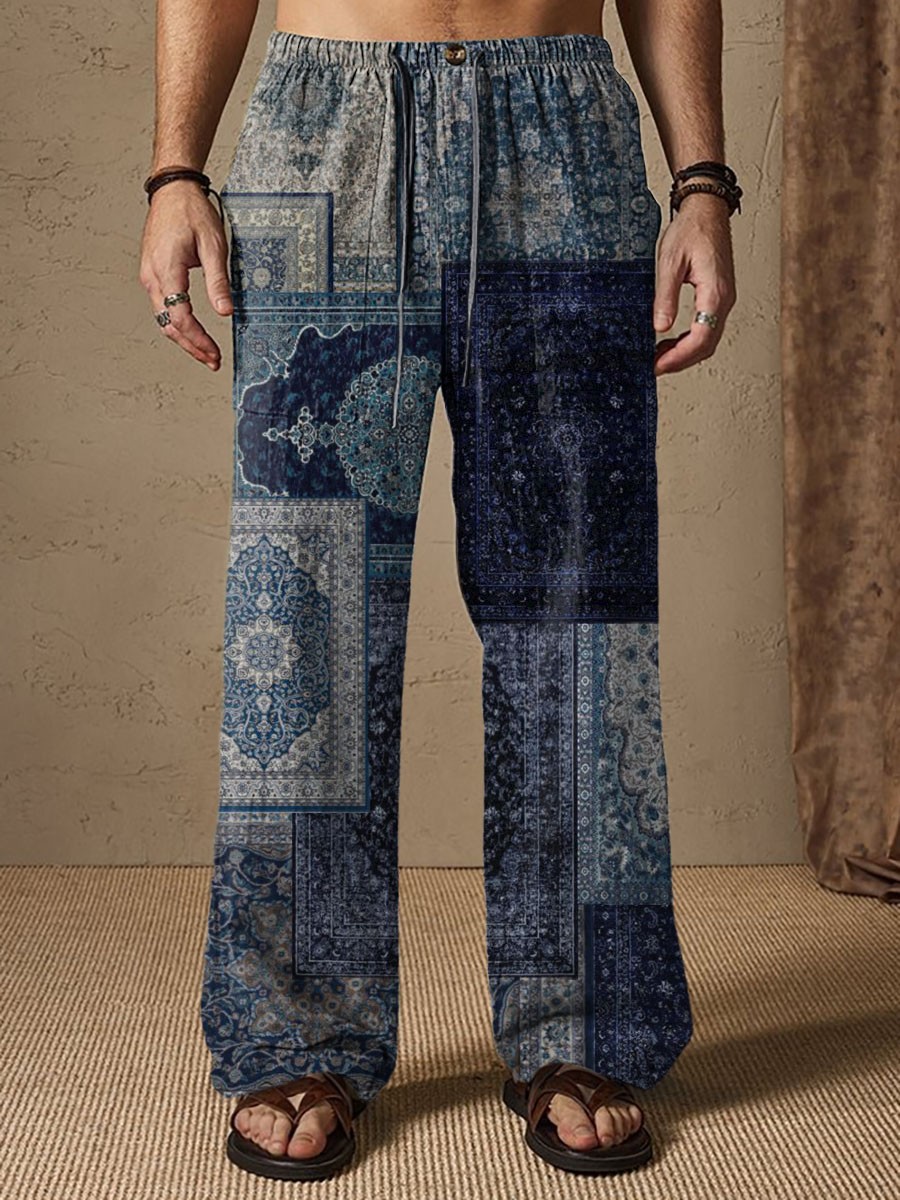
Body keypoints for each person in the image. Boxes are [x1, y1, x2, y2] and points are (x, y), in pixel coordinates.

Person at [139, 0, 738, 1182]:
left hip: (563, 135)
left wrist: (703, 184)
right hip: (326, 133)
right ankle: (299, 1034)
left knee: (579, 623)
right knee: (303, 613)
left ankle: (580, 1028)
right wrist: (174, 172)